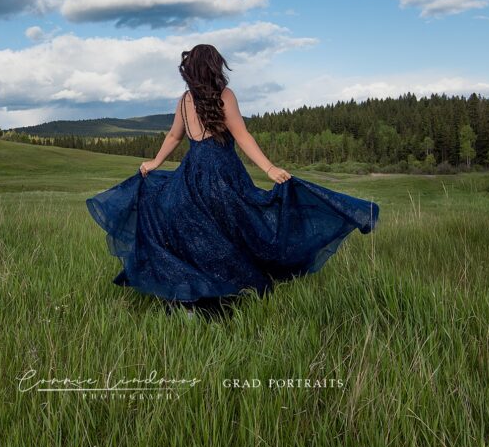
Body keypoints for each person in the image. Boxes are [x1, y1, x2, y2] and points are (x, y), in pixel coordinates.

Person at [85, 44, 380, 314]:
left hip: (192, 171)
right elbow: (242, 136)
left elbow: (175, 136)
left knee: (198, 229)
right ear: (214, 67)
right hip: (222, 171)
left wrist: (155, 162)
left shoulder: (185, 99)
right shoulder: (224, 95)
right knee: (233, 226)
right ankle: (214, 293)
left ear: (191, 70)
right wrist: (269, 169)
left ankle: (194, 294)